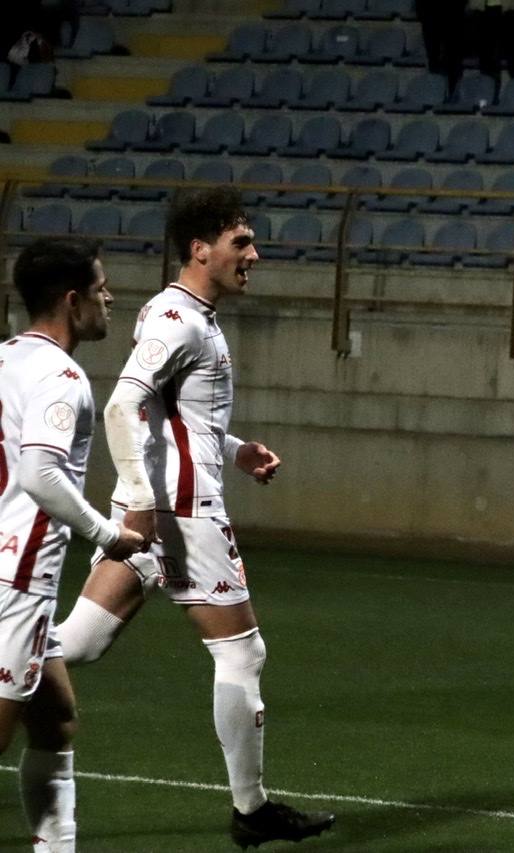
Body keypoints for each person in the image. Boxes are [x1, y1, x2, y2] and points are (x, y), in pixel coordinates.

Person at [54, 188, 337, 847]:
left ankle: (9, 658)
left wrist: (235, 450)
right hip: (179, 509)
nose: (254, 255)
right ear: (200, 249)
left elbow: (175, 417)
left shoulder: (182, 312)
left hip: (161, 501)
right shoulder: (179, 320)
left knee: (78, 643)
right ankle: (251, 809)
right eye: (242, 243)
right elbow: (122, 407)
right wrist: (145, 498)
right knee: (242, 649)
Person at [0, 237, 146, 851]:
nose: (108, 297)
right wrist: (108, 533)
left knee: (56, 722)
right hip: (16, 582)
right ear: (70, 299)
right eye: (99, 287)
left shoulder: (5, 358)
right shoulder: (63, 376)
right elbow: (39, 472)